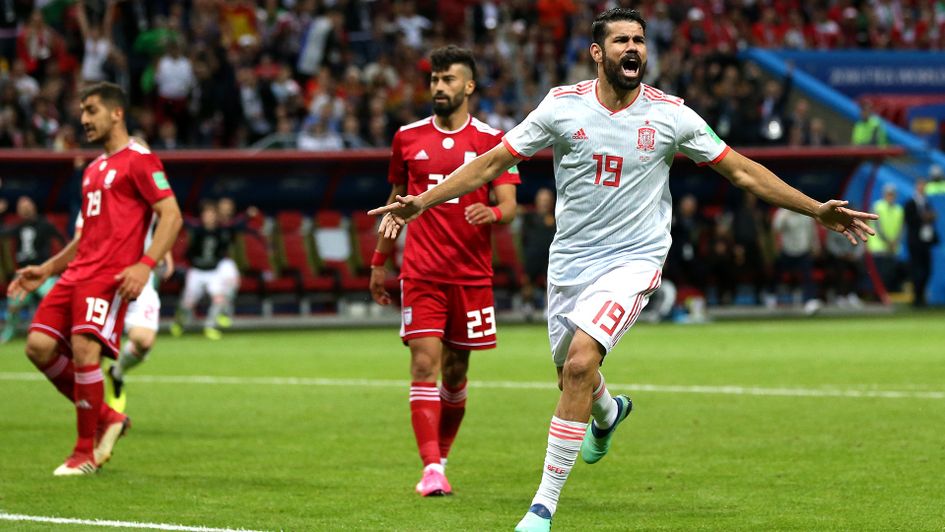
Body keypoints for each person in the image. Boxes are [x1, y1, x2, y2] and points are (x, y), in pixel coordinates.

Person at [370, 9, 877, 530]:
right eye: (620, 41)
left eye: (639, 39)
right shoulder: (562, 108)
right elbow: (494, 162)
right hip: (570, 264)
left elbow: (742, 171)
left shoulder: (672, 115)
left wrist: (817, 208)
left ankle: (542, 507)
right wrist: (423, 201)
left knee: (579, 364)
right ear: (598, 53)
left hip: (634, 260)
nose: (633, 48)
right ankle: (608, 412)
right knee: (571, 375)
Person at [7, 81, 182, 475]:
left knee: (85, 349)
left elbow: (171, 215)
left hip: (109, 275)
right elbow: (84, 236)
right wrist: (48, 269)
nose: (84, 119)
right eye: (82, 112)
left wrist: (145, 264)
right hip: (77, 271)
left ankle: (83, 453)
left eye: (91, 111)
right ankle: (109, 417)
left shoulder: (140, 159)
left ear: (116, 113)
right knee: (37, 346)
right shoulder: (92, 171)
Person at [368, 45, 520, 497]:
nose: (439, 87)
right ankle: (431, 468)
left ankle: (444, 456)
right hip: (421, 272)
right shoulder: (407, 138)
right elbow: (395, 205)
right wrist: (379, 262)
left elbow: (510, 206)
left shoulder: (492, 140)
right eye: (434, 79)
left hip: (471, 276)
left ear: (469, 86)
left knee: (455, 374)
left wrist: (491, 215)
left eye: (448, 79)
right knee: (423, 364)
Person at [0, 196, 66, 343]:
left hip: (44, 272)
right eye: (21, 206)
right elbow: (2, 232)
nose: (24, 208)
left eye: (27, 204)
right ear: (18, 211)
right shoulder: (18, 228)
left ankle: (62, 330)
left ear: (33, 206)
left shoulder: (45, 225)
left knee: (54, 299)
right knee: (13, 304)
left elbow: (63, 242)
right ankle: (9, 333)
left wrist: (61, 266)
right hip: (24, 274)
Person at [170, 201, 234, 340]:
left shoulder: (221, 232)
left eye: (211, 215)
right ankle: (179, 322)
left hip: (213, 272)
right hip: (197, 272)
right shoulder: (196, 230)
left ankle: (210, 326)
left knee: (219, 299)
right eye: (206, 215)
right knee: (187, 303)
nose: (209, 218)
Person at [519, 187, 556, 318]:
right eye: (541, 200)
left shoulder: (557, 219)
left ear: (552, 202)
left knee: (550, 283)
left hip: (550, 257)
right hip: (532, 256)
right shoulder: (529, 217)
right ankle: (527, 306)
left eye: (547, 200)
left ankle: (549, 308)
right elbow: (523, 238)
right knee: (528, 283)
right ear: (537, 201)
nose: (544, 202)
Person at [904, 179, 939, 307]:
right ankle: (916, 297)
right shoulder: (910, 203)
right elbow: (909, 220)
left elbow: (930, 219)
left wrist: (931, 217)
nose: (922, 188)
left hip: (926, 241)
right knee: (917, 269)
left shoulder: (927, 202)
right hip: (915, 242)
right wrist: (923, 217)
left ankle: (921, 295)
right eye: (920, 186)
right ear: (916, 187)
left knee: (927, 269)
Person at [868, 184, 904, 292]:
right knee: (878, 274)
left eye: (892, 194)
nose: (890, 196)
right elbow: (878, 227)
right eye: (888, 194)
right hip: (878, 248)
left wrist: (895, 242)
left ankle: (884, 296)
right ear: (884, 194)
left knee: (889, 274)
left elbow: (901, 228)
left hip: (892, 248)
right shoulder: (877, 206)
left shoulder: (899, 209)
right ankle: (876, 296)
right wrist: (889, 242)